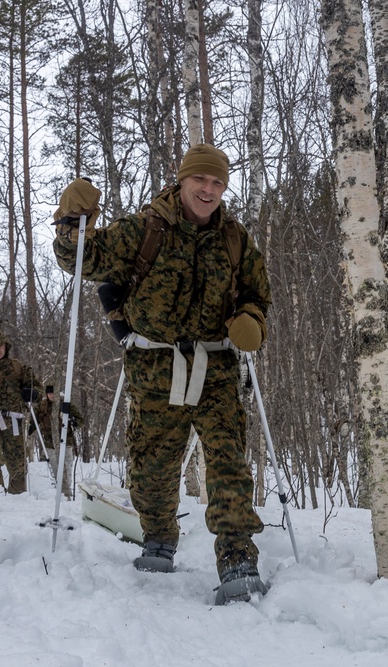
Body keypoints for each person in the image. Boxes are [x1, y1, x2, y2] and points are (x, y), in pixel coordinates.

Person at [52, 144, 272, 604]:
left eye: (217, 183)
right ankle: (158, 538)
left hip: (216, 367)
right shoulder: (146, 228)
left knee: (228, 460)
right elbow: (82, 261)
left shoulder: (235, 238)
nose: (209, 190)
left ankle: (237, 558)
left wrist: (252, 318)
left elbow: (257, 292)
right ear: (183, 180)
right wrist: (71, 221)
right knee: (152, 466)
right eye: (201, 181)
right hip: (154, 366)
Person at [0, 328, 42, 494]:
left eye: (1, 345)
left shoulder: (17, 367)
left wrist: (33, 393)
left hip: (13, 420)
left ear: (6, 347)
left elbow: (37, 387)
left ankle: (18, 496)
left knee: (17, 459)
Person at [36, 383, 83, 498]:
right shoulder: (42, 406)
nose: (51, 396)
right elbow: (35, 418)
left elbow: (80, 420)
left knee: (67, 466)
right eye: (49, 393)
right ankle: (59, 490)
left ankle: (67, 491)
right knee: (55, 467)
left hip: (66, 441)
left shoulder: (65, 404)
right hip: (50, 442)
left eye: (53, 393)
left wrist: (73, 421)